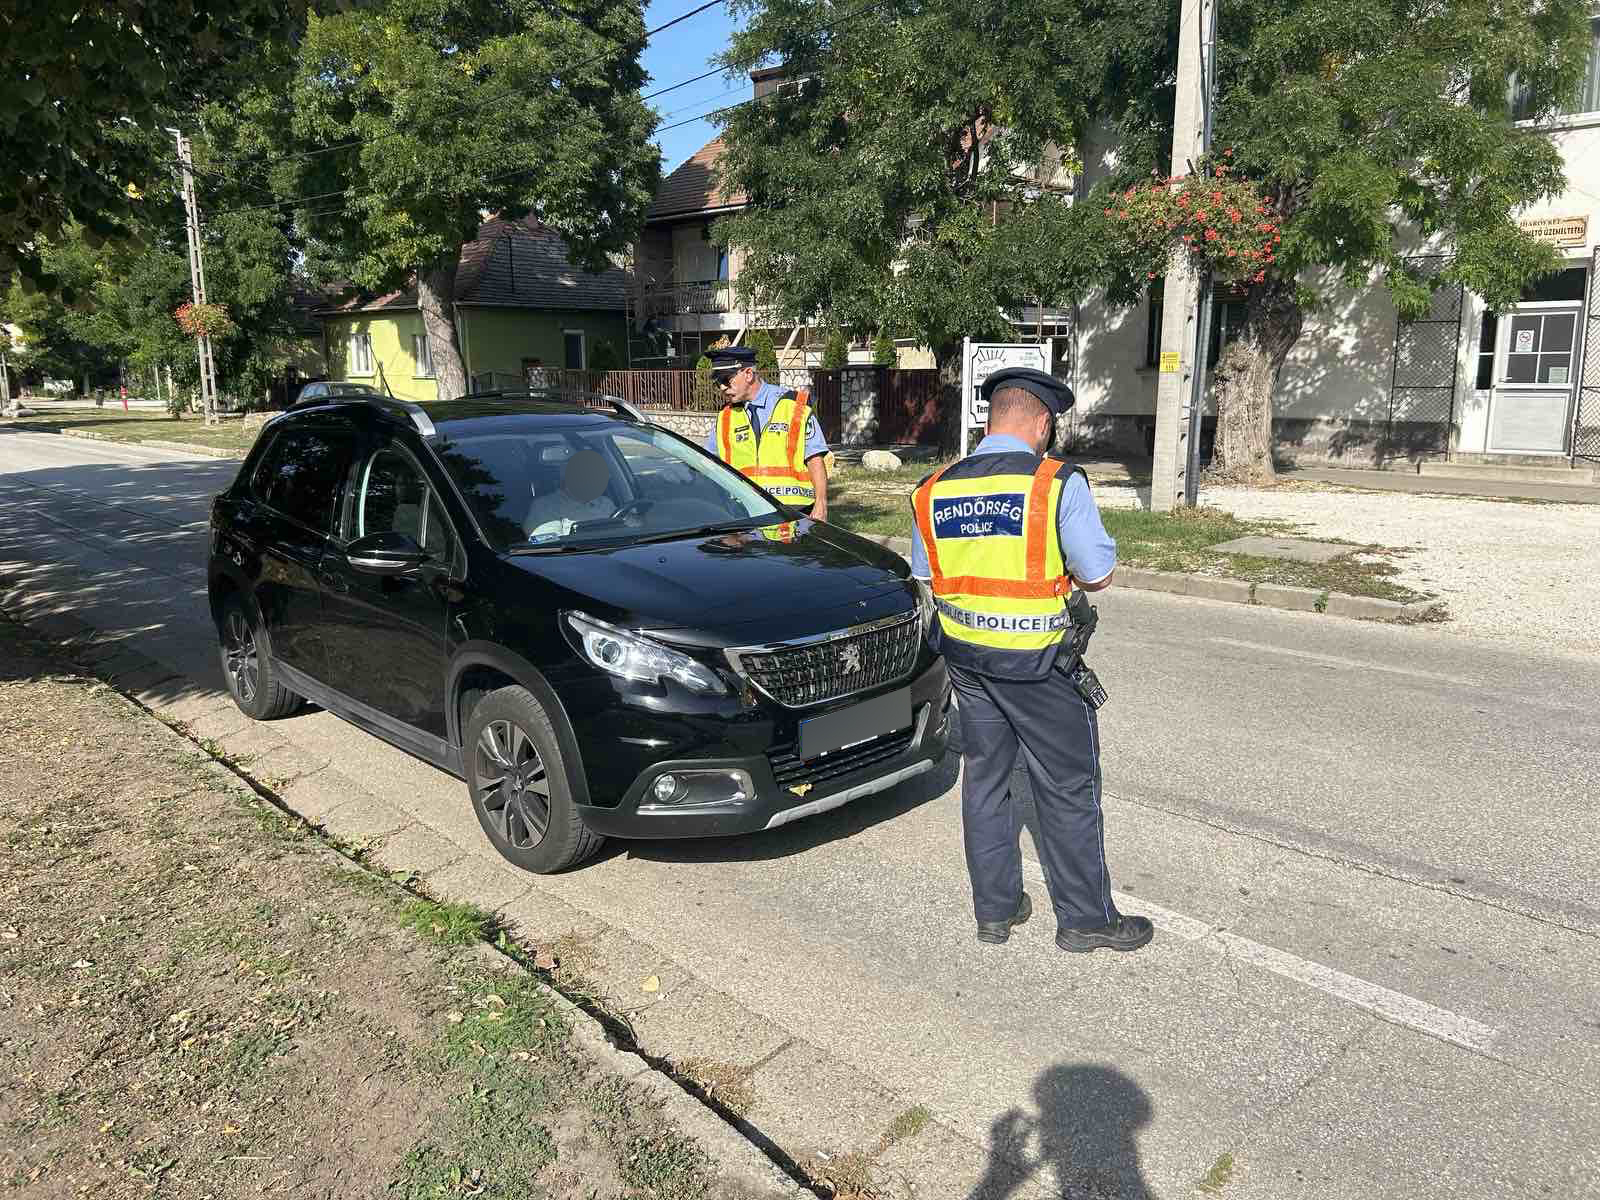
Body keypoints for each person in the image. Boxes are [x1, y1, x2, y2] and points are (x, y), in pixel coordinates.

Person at [909, 367, 1152, 954]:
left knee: (986, 781)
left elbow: (927, 576)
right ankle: (1086, 919)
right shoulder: (1055, 483)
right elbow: (1097, 575)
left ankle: (995, 911)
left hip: (968, 663)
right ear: (1042, 423)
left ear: (990, 420)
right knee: (1067, 787)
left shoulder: (932, 488)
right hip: (1042, 667)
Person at [703, 346, 829, 520]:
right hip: (745, 513)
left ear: (748, 374)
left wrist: (821, 504)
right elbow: (708, 464)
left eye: (726, 380)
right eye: (718, 383)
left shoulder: (794, 406)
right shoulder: (725, 417)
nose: (722, 388)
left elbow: (814, 458)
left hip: (794, 511)